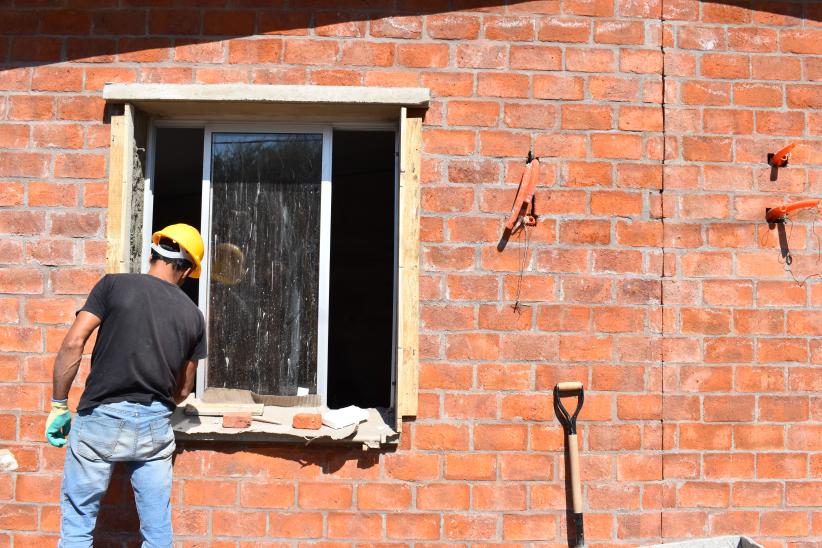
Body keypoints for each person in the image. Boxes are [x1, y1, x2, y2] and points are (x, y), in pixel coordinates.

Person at [45, 223, 207, 548]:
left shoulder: (113, 286)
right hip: (155, 426)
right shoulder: (193, 315)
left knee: (77, 529)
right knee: (157, 533)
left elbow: (74, 343)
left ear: (151, 253)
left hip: (100, 419)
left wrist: (59, 404)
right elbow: (183, 390)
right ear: (187, 271)